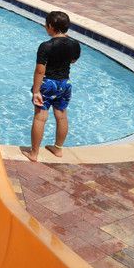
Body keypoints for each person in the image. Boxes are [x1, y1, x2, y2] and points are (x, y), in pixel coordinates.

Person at [30, 11, 81, 160]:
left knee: (40, 117)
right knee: (61, 116)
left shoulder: (46, 46)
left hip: (48, 83)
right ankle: (58, 149)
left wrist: (36, 90)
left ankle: (34, 153)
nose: (45, 27)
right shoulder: (74, 44)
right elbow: (73, 61)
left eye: (46, 25)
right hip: (65, 83)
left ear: (51, 26)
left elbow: (40, 70)